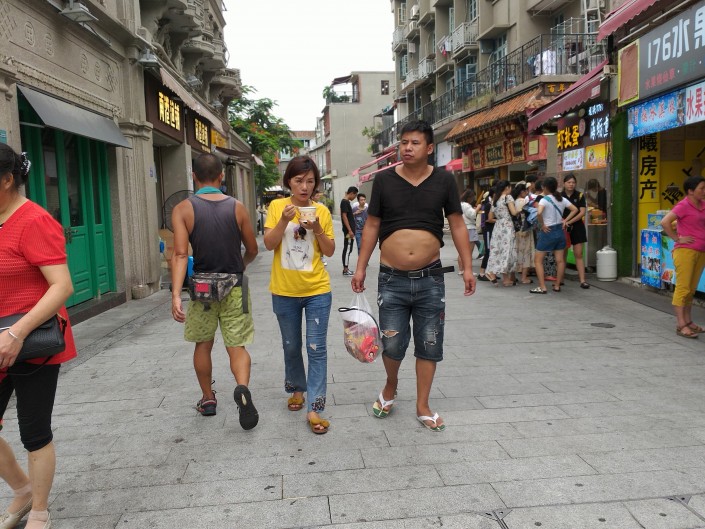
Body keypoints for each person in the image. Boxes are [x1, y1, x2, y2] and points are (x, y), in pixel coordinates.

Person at [351, 120, 476, 432]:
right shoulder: (384, 180)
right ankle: (391, 384)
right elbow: (372, 225)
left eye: (414, 143)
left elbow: (457, 223)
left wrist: (468, 266)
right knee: (392, 344)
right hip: (391, 279)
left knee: (429, 343)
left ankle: (423, 405)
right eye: (403, 142)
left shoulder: (444, 180)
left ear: (430, 148)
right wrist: (361, 266)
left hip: (431, 278)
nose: (407, 148)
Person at [0, 144, 77, 529]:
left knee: (34, 430)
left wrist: (16, 332)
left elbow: (62, 286)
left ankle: (40, 512)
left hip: (32, 341)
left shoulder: (34, 221)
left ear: (7, 179)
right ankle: (22, 488)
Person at [171, 153, 259, 430]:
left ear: (193, 177)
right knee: (237, 345)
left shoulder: (183, 209)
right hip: (235, 285)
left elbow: (180, 254)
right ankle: (242, 388)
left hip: (201, 289)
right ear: (221, 176)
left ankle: (208, 398)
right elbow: (252, 249)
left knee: (203, 344)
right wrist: (240, 267)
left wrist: (176, 294)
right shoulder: (237, 207)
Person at [264, 156, 335, 434]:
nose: (304, 187)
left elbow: (329, 251)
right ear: (289, 182)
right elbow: (269, 244)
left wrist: (317, 228)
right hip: (284, 291)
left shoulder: (322, 211)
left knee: (316, 348)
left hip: (317, 290)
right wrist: (284, 220)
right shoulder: (277, 207)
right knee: (291, 346)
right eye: (298, 181)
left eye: (310, 181)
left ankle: (315, 407)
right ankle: (297, 388)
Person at [660, 176, 705, 339]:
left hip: (701, 251)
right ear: (691, 191)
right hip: (685, 252)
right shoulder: (683, 205)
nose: (704, 191)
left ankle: (688, 321)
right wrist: (677, 238)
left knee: (691, 289)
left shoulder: (703, 205)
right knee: (683, 288)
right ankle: (681, 324)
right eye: (702, 188)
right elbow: (665, 222)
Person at [530, 177, 579, 294]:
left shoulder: (544, 200)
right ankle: (557, 285)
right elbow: (575, 209)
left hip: (548, 231)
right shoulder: (561, 199)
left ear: (544, 187)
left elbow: (539, 213)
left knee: (538, 261)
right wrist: (565, 220)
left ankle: (542, 287)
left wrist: (542, 225)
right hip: (560, 231)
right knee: (560, 261)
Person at [485, 180, 519, 287]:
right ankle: (505, 279)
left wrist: (500, 220)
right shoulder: (508, 197)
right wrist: (521, 208)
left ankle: (492, 272)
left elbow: (490, 218)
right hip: (507, 227)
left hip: (498, 227)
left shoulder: (495, 199)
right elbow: (514, 212)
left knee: (497, 250)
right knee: (507, 251)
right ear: (507, 187)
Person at [562, 174, 589, 289]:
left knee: (578, 254)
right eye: (569, 182)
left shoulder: (580, 195)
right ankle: (560, 279)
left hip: (577, 227)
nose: (571, 184)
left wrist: (569, 221)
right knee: (562, 254)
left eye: (573, 182)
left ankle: (582, 281)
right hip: (563, 227)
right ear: (564, 183)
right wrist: (564, 223)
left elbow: (582, 212)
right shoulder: (559, 196)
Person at [512, 184, 534, 284]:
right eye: (526, 191)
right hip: (525, 229)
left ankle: (513, 275)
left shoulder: (513, 202)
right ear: (522, 192)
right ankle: (524, 277)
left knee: (516, 251)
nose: (527, 193)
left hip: (516, 230)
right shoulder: (524, 201)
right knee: (526, 252)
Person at [458, 189, 480, 274]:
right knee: (469, 251)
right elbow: (472, 214)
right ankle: (468, 270)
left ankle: (461, 269)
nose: (473, 199)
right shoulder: (467, 205)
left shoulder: (460, 204)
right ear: (469, 197)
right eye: (473, 197)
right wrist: (477, 208)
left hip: (462, 227)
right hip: (470, 228)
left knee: (461, 251)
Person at [477, 189, 494, 281]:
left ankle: (490, 273)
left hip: (489, 229)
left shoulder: (488, 203)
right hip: (487, 230)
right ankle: (482, 273)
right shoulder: (488, 204)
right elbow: (488, 219)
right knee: (488, 251)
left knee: (491, 251)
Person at [340, 186, 358, 276]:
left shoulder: (346, 202)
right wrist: (350, 230)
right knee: (347, 249)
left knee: (348, 248)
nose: (355, 197)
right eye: (355, 195)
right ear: (351, 193)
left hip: (349, 230)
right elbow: (344, 216)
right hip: (348, 231)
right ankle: (345, 270)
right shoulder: (345, 202)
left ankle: (346, 269)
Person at [313, 190, 328, 266]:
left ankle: (321, 257)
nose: (318, 197)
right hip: (312, 226)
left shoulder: (321, 206)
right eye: (317, 196)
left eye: (319, 196)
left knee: (320, 242)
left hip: (320, 225)